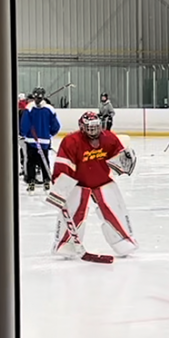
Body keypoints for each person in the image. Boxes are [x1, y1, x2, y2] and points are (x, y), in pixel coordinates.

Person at [48, 111, 137, 259]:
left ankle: (124, 241)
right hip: (78, 184)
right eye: (89, 127)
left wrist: (125, 158)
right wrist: (60, 184)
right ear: (82, 127)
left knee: (115, 211)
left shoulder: (109, 138)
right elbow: (63, 164)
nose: (93, 131)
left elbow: (118, 158)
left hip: (103, 181)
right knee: (74, 213)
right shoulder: (71, 141)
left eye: (96, 127)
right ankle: (65, 244)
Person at [19, 88, 60, 192]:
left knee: (31, 161)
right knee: (43, 160)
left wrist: (23, 133)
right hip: (44, 141)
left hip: (31, 140)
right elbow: (56, 126)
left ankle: (32, 179)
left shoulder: (29, 108)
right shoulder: (49, 109)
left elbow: (24, 124)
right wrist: (48, 134)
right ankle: (45, 179)